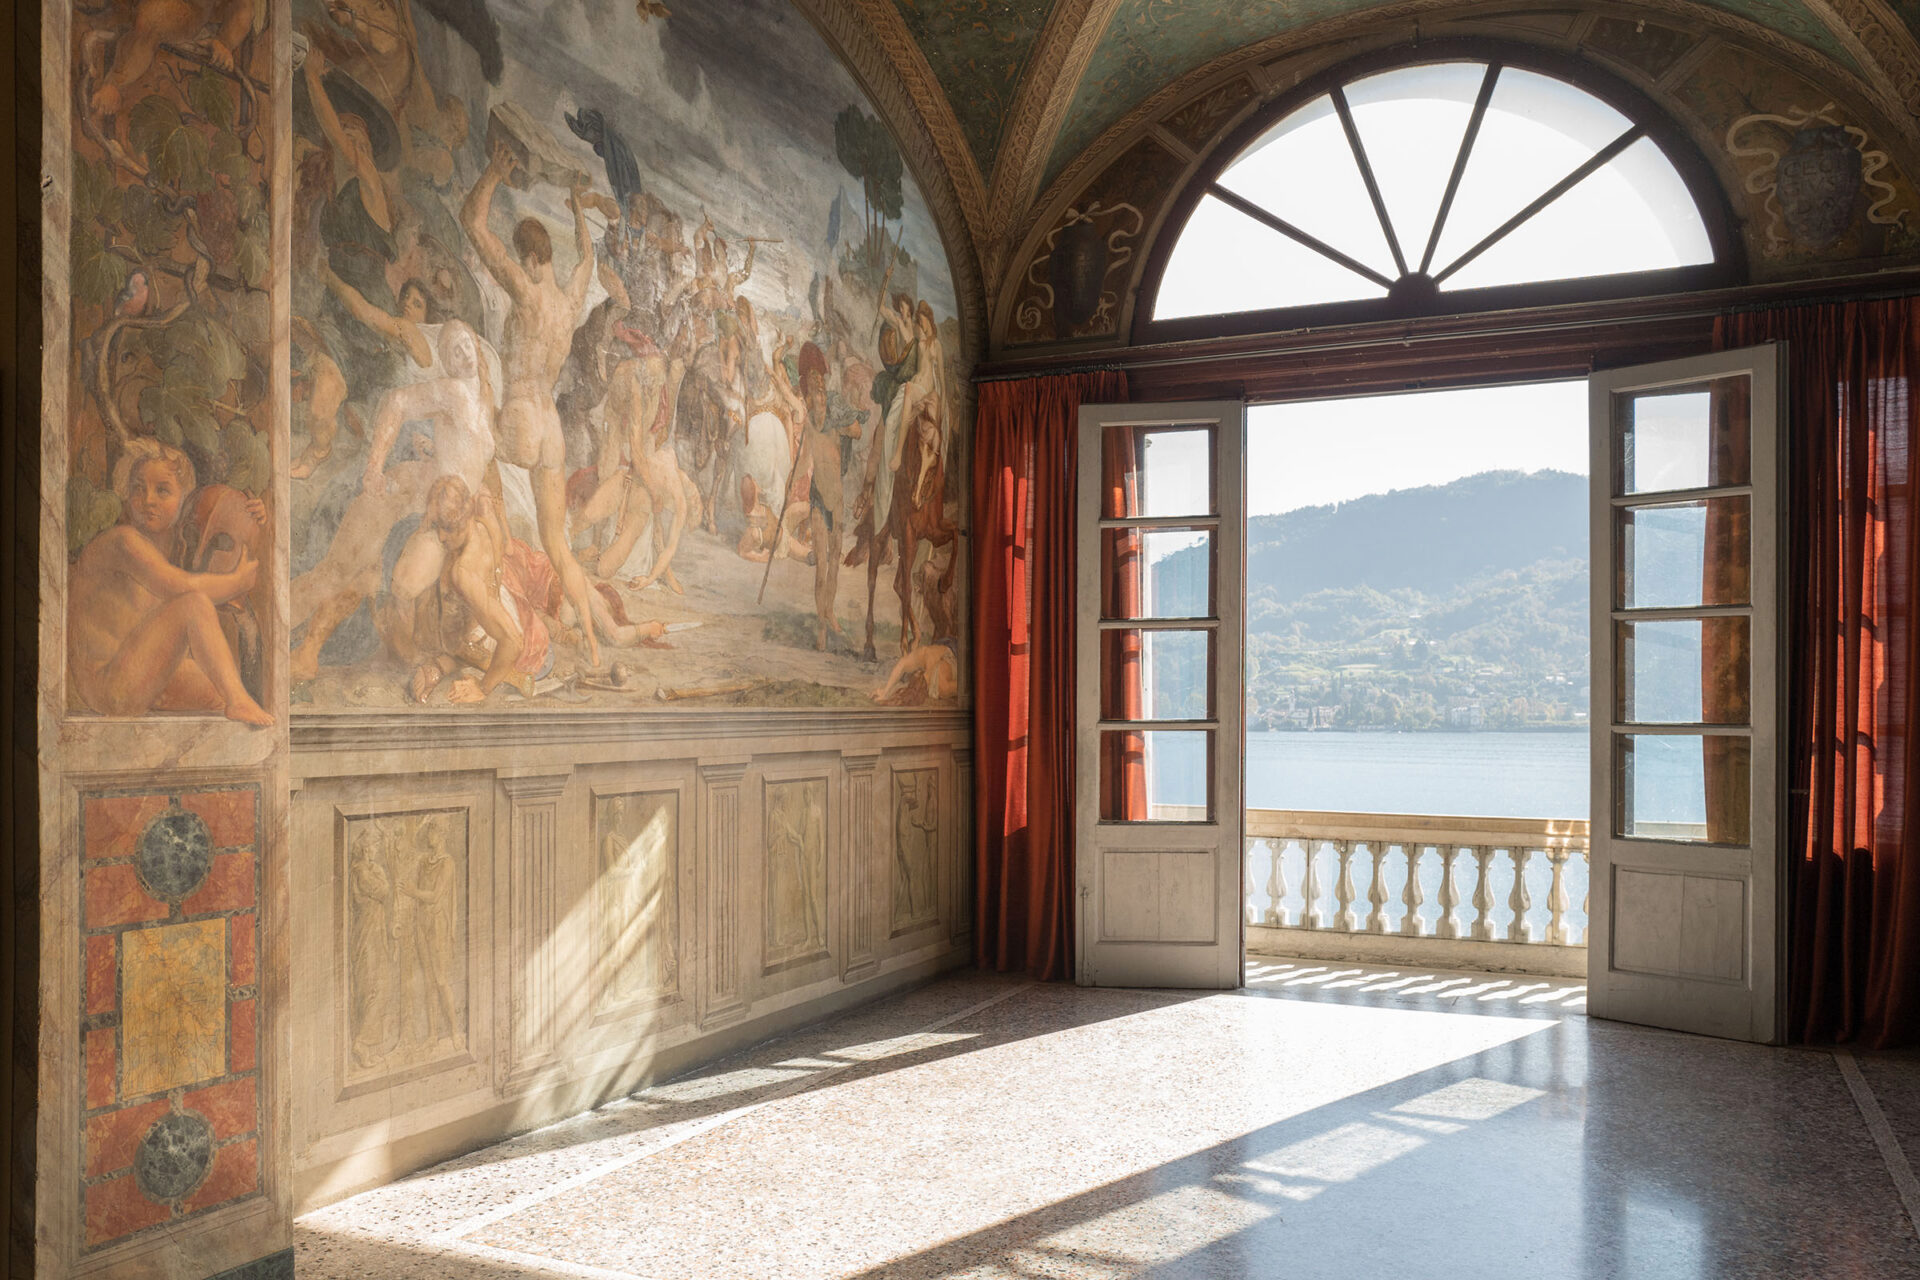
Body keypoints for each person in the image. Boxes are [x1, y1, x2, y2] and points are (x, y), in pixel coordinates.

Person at [460, 138, 605, 668]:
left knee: (473, 434)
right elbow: (589, 258)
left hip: (519, 416)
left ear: (526, 256)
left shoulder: (523, 289)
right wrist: (578, 208)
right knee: (557, 545)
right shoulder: (568, 303)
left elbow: (472, 224)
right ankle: (593, 644)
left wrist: (493, 172)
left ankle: (489, 600)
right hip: (551, 431)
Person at [68, 441, 272, 725]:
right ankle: (238, 702)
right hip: (109, 685)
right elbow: (181, 586)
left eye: (162, 490)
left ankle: (238, 701)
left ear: (184, 499)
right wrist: (236, 583)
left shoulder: (174, 549)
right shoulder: (124, 542)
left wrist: (248, 516)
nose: (148, 500)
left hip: (139, 674)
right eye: (138, 489)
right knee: (193, 605)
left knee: (220, 687)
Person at [412, 477, 665, 704]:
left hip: (520, 646)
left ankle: (446, 665)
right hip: (515, 613)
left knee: (445, 633)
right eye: (438, 526)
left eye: (445, 528)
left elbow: (513, 640)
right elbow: (505, 563)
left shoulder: (464, 571)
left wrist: (483, 688)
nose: (441, 537)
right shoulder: (484, 522)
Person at [771, 340, 859, 649]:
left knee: (834, 564)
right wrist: (788, 485)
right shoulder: (810, 426)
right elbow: (803, 462)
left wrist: (844, 419)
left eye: (822, 392)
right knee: (821, 565)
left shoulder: (835, 423)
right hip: (820, 501)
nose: (819, 397)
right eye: (814, 393)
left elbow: (857, 431)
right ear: (809, 397)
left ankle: (829, 612)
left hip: (838, 501)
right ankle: (822, 627)